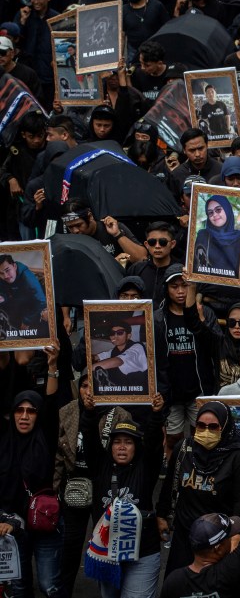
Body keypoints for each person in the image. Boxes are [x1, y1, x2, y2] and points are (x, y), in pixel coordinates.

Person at [156, 400, 240, 576]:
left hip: (219, 541)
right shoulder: (184, 449)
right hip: (185, 536)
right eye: (201, 426)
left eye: (213, 427)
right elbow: (169, 484)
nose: (206, 431)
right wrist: (162, 515)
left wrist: (236, 536)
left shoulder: (238, 455)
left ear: (224, 427)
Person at [82, 397, 165, 598]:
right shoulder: (100, 466)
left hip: (143, 552)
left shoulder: (146, 467)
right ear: (110, 446)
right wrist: (90, 413)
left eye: (128, 442)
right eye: (117, 442)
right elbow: (90, 439)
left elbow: (154, 442)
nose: (121, 447)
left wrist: (156, 414)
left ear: (136, 446)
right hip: (107, 553)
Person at [159, 456, 240, 598]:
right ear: (217, 548)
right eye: (228, 536)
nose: (231, 538)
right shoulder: (231, 572)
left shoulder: (173, 582)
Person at [0, 346, 61, 598]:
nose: (24, 416)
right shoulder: (3, 440)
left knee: (49, 586)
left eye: (31, 411)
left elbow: (50, 401)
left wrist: (53, 366)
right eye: (19, 410)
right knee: (19, 587)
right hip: (11, 527)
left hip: (44, 521)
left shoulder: (44, 436)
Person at [194, 194, 240, 277]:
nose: (214, 214)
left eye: (218, 210)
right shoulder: (203, 235)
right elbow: (196, 266)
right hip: (207, 287)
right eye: (210, 213)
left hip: (236, 288)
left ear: (227, 209)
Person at [90, 319, 149, 391]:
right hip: (123, 386)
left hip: (140, 389)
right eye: (112, 333)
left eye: (120, 333)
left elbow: (118, 361)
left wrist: (90, 368)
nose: (115, 336)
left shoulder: (137, 347)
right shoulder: (114, 350)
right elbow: (98, 356)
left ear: (128, 336)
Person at [0, 252, 47, 337]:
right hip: (15, 305)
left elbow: (41, 301)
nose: (5, 276)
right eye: (1, 273)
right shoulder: (3, 276)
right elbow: (4, 291)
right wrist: (3, 297)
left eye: (7, 270)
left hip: (31, 309)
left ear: (14, 266)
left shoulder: (28, 279)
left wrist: (26, 321)